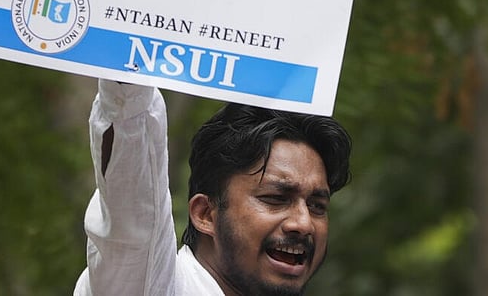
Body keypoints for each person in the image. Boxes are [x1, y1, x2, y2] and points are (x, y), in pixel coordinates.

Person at [74, 79, 352, 296]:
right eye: (276, 198)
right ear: (205, 213)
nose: (304, 223)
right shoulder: (149, 285)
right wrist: (128, 61)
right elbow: (132, 195)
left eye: (317, 206)